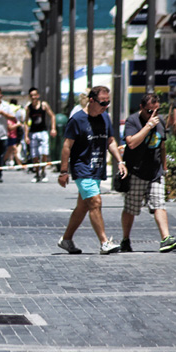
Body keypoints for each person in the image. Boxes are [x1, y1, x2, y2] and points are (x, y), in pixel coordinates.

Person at [57, 86, 126, 255]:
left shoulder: (104, 118)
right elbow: (67, 146)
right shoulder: (77, 119)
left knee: (82, 207)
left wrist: (120, 161)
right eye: (103, 103)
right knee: (95, 202)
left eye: (108, 102)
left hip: (97, 168)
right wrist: (63, 171)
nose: (106, 106)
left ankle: (66, 239)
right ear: (91, 101)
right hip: (82, 168)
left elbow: (110, 140)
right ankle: (104, 242)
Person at [120, 93, 176, 253]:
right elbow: (131, 143)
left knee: (159, 204)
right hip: (137, 170)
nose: (153, 114)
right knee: (131, 208)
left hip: (155, 171)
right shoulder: (133, 121)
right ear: (141, 108)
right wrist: (148, 125)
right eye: (149, 111)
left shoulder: (160, 120)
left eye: (156, 110)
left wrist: (164, 167)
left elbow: (162, 145)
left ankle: (166, 238)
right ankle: (125, 239)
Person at [25, 87, 57, 183]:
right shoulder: (29, 108)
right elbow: (26, 122)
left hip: (43, 131)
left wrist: (53, 128)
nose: (33, 97)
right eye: (31, 96)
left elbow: (52, 116)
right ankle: (37, 173)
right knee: (35, 154)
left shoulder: (43, 105)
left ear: (38, 95)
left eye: (35, 95)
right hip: (33, 133)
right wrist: (26, 136)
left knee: (44, 153)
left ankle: (43, 172)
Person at [4, 98, 25, 167]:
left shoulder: (8, 110)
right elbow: (10, 127)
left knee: (10, 150)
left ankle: (3, 162)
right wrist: (18, 124)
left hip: (13, 134)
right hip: (12, 135)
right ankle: (19, 164)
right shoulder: (17, 110)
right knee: (14, 150)